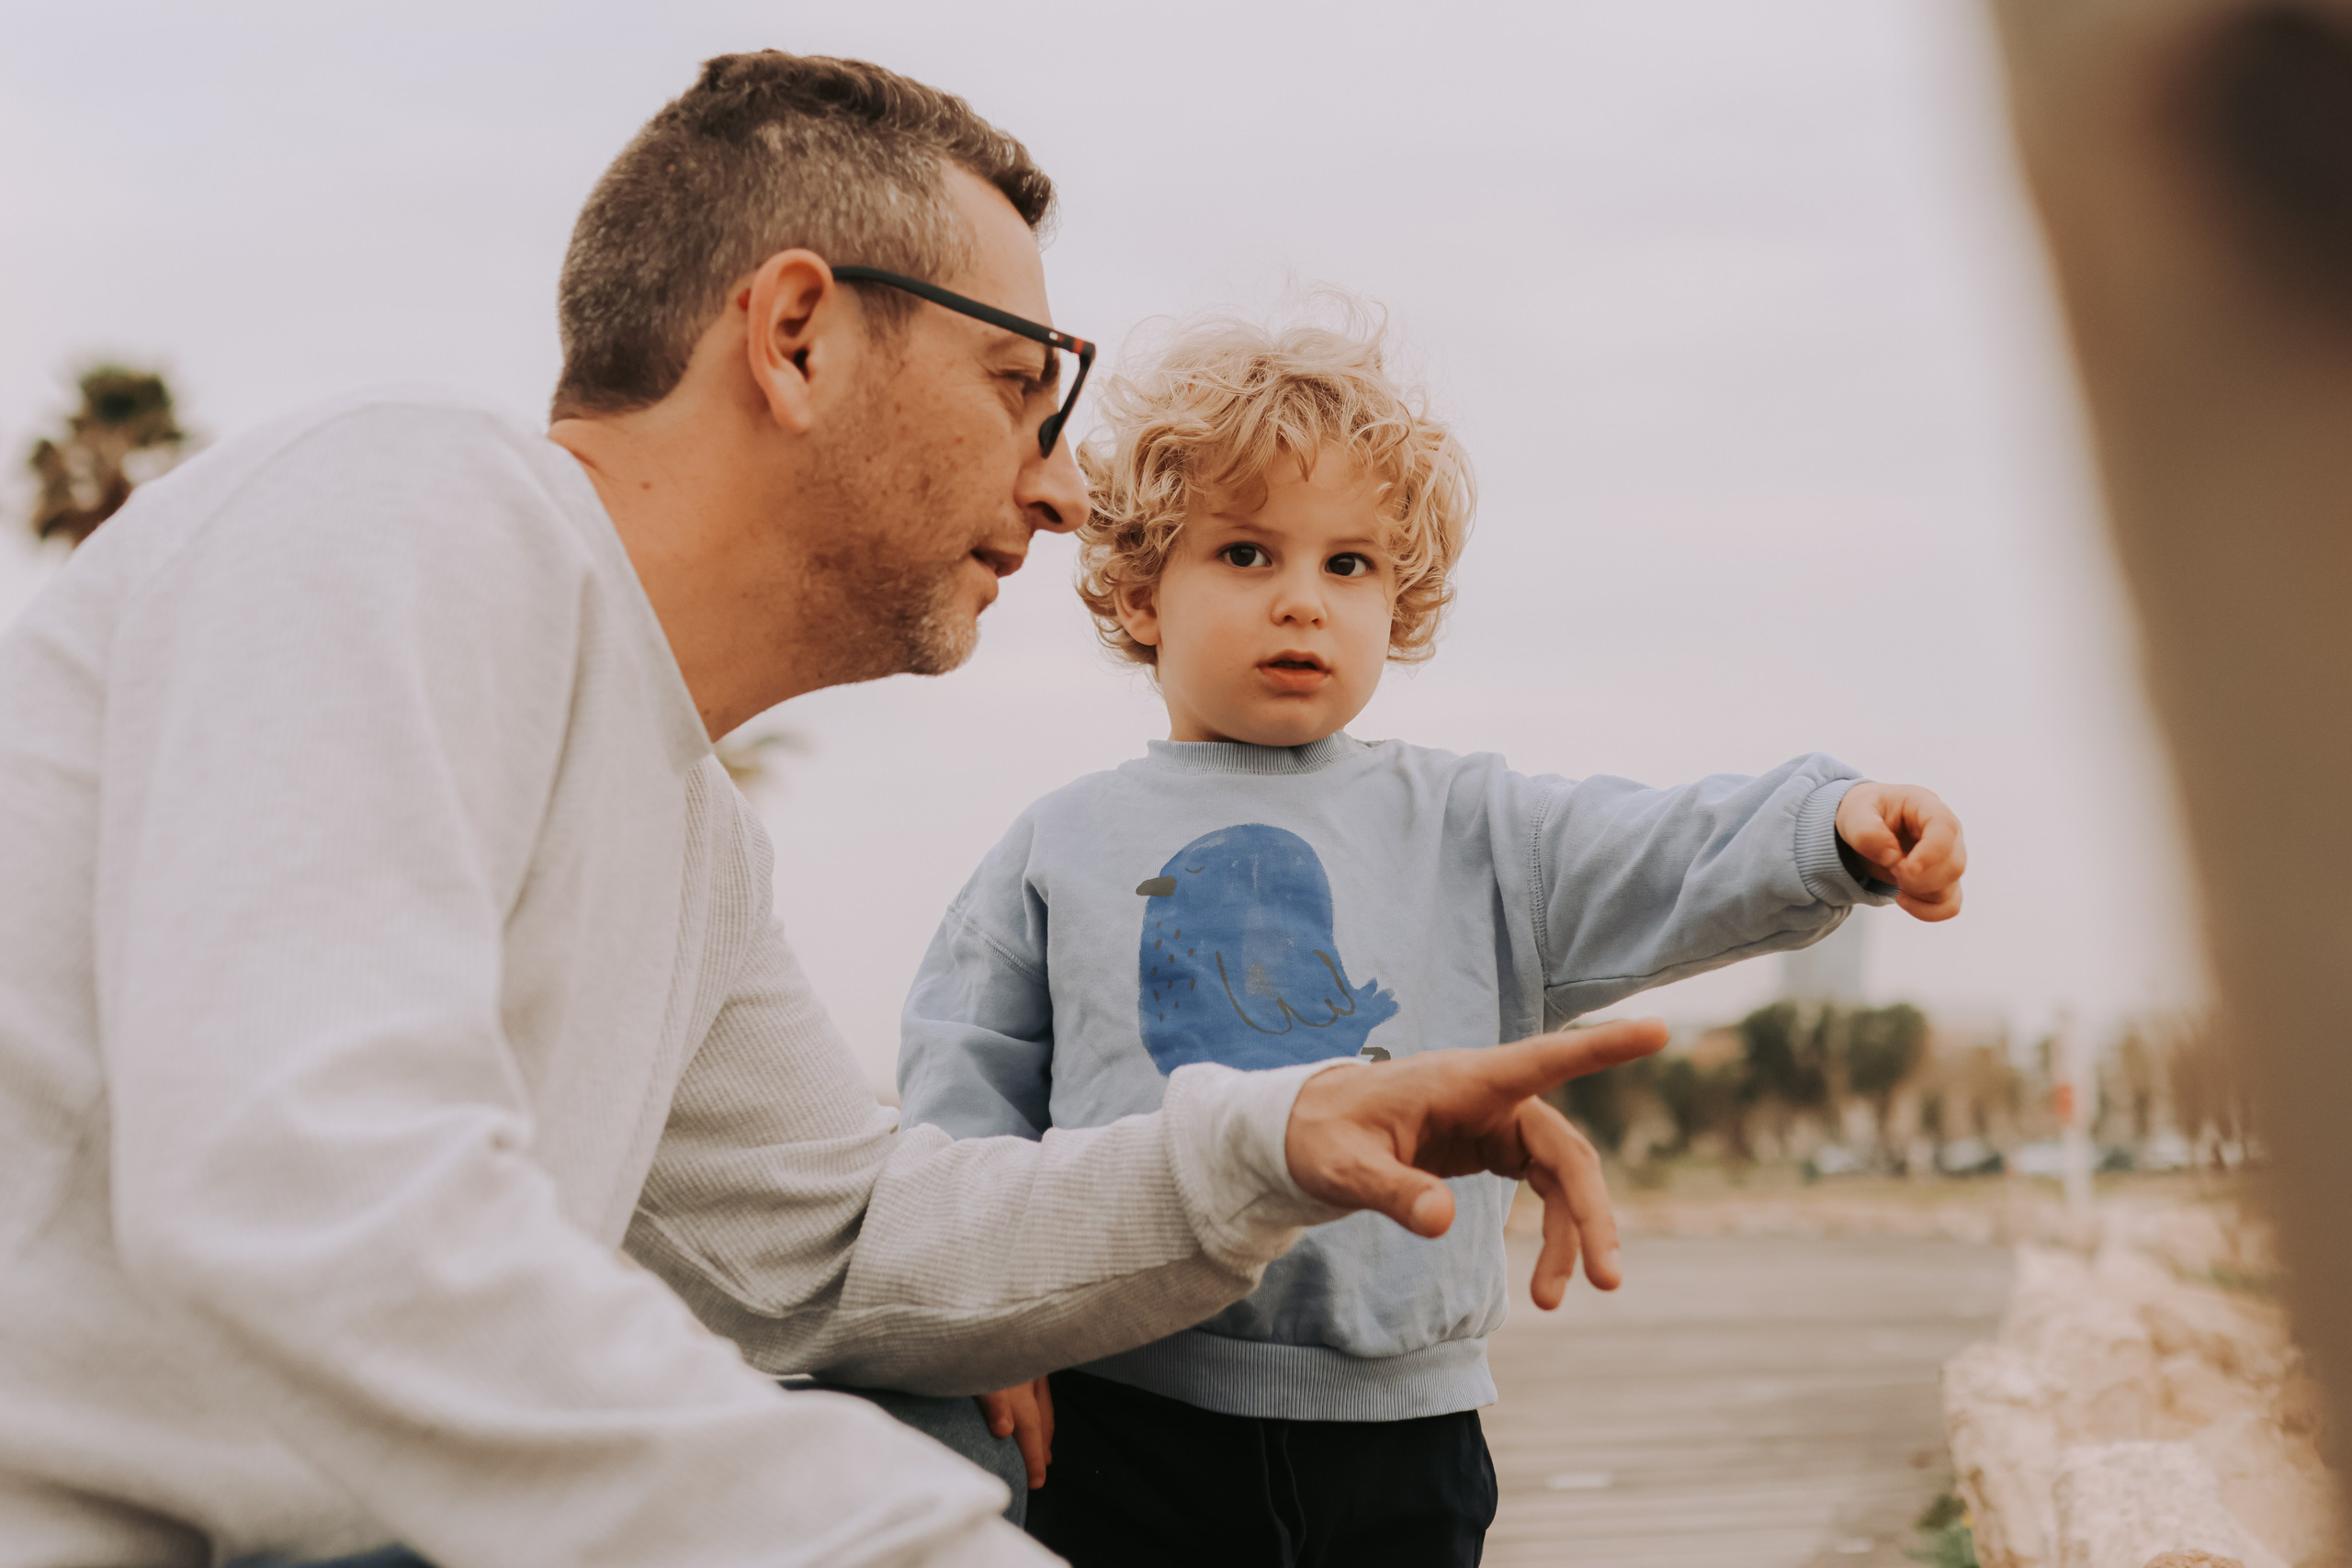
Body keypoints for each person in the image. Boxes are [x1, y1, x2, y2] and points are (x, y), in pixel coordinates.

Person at [0, 52, 1669, 1568]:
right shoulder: (405, 508)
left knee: (932, 1425)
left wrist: (1276, 1140)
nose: (1062, 487)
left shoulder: (688, 831)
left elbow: (854, 1245)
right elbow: (308, 1184)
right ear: (795, 336)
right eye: (1018, 384)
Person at [894, 311, 1971, 1566]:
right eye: (1246, 553)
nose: (1303, 601)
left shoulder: (1472, 827)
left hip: (1402, 1427)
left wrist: (1827, 827)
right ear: (1141, 592)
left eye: (1349, 564)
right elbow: (964, 1092)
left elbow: (1655, 846)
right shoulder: (1059, 842)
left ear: (1397, 601)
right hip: (1123, 1408)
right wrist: (983, 1326)